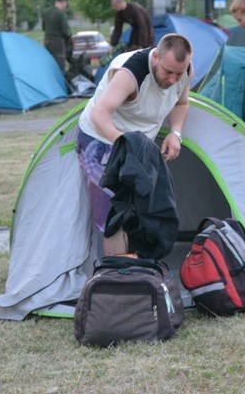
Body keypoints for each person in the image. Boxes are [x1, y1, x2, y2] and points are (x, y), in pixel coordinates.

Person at [76, 33, 193, 258]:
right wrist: (124, 145)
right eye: (168, 71)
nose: (172, 80)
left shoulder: (184, 71)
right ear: (156, 56)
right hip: (100, 138)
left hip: (137, 145)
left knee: (140, 209)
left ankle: (137, 271)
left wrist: (175, 133)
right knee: (113, 215)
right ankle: (117, 280)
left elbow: (182, 102)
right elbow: (99, 114)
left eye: (179, 73)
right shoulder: (130, 73)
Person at [42, 0, 72, 72]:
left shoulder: (45, 12)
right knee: (60, 65)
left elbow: (43, 28)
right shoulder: (61, 14)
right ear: (64, 3)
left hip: (47, 41)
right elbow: (66, 32)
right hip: (58, 43)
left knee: (49, 64)